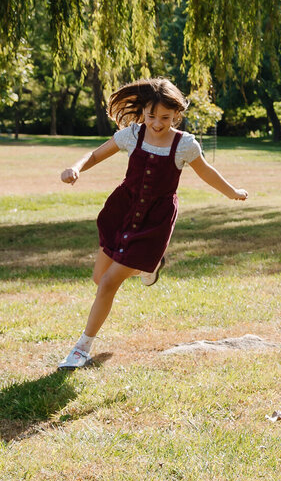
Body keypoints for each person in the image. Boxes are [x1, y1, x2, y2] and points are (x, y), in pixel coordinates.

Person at [55, 76, 247, 369]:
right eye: (152, 116)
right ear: (143, 112)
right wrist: (76, 167)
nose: (158, 123)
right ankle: (150, 265)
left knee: (108, 283)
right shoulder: (133, 134)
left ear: (177, 115)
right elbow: (97, 153)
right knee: (99, 279)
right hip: (122, 211)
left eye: (166, 118)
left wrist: (232, 192)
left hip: (154, 221)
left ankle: (82, 347)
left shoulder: (185, 145)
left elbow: (207, 172)